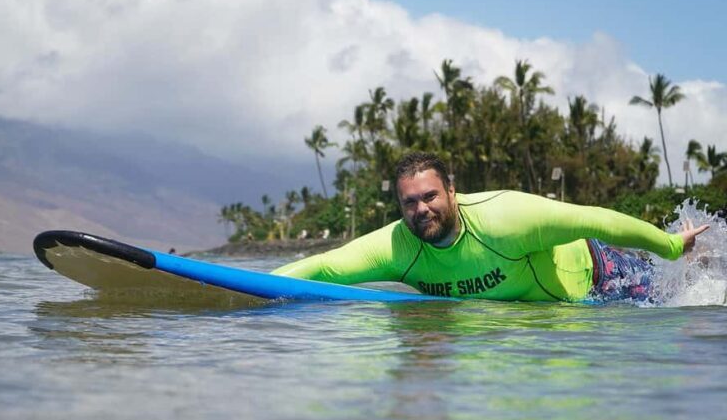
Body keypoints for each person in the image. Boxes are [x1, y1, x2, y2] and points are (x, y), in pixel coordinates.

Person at [272, 152, 709, 302]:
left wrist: (670, 246)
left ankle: (696, 260)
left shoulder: (505, 217)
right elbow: (326, 267)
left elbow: (596, 219)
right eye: (409, 202)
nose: (421, 209)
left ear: (452, 192)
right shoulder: (397, 246)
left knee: (678, 298)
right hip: (542, 312)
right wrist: (252, 290)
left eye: (430, 196)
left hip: (599, 276)